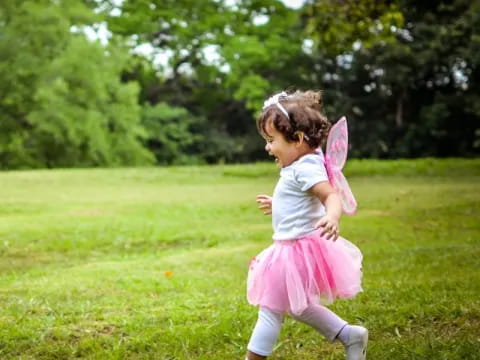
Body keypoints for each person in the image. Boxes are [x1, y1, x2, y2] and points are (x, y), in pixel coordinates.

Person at [245, 90, 368, 360]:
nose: (267, 147)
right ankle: (350, 335)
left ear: (298, 139)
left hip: (294, 253)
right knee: (299, 307)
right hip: (293, 250)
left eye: (271, 140)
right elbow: (302, 201)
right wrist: (278, 203)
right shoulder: (301, 164)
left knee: (270, 310)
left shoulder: (305, 168)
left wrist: (332, 216)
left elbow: (329, 195)